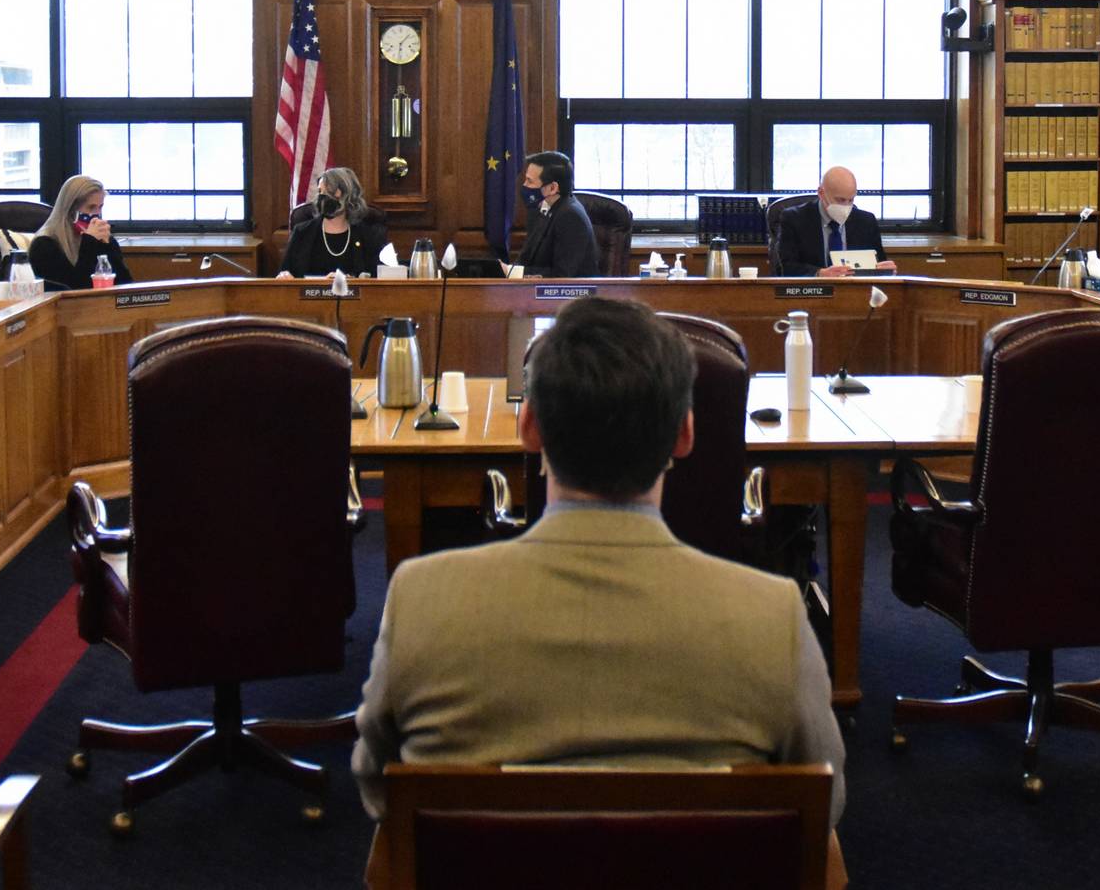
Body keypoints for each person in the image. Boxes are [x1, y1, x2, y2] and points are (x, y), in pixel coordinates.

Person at [353, 297, 846, 876]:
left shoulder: (420, 600)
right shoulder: (774, 616)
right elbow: (824, 804)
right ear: (685, 433)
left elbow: (378, 789)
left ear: (529, 425)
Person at [776, 166, 895, 278]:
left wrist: (887, 270)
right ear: (821, 193)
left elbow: (878, 264)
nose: (846, 206)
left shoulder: (866, 222)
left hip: (855, 292)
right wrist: (820, 273)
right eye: (840, 200)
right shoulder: (794, 219)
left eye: (851, 200)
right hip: (813, 292)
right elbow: (787, 267)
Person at [275, 167, 390, 280]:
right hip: (310, 297)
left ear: (347, 195)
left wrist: (353, 282)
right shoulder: (302, 232)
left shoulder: (369, 235)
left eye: (329, 192)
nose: (322, 197)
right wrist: (285, 277)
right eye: (320, 191)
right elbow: (285, 274)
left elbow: (379, 280)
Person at [28, 175, 133, 291]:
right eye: (91, 207)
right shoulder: (45, 244)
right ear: (71, 210)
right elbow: (74, 289)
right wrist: (89, 243)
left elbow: (126, 284)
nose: (97, 214)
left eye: (100, 207)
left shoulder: (99, 238)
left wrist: (108, 247)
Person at [517, 149, 600, 278]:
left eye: (530, 181)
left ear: (552, 188)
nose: (524, 185)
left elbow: (561, 276)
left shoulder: (570, 217)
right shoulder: (542, 209)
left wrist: (516, 273)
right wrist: (508, 271)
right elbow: (526, 258)